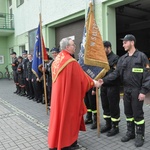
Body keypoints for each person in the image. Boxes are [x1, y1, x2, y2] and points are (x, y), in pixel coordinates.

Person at [48, 37, 101, 150]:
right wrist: (95, 83)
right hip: (68, 98)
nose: (75, 47)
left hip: (58, 97)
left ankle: (63, 141)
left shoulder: (57, 60)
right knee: (69, 120)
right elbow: (82, 79)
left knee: (60, 119)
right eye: (73, 45)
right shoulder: (70, 62)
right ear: (67, 47)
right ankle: (66, 144)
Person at [99, 34, 150, 147]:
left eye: (125, 42)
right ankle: (130, 132)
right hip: (126, 89)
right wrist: (104, 80)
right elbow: (116, 74)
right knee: (128, 113)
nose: (123, 44)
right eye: (123, 42)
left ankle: (140, 135)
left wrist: (143, 91)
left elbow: (147, 76)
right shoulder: (122, 59)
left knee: (138, 114)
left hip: (137, 90)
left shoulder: (142, 57)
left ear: (132, 42)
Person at [100, 41, 120, 136]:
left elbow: (115, 74)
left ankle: (115, 127)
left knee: (113, 107)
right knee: (105, 106)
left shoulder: (116, 58)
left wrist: (104, 79)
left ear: (108, 48)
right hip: (103, 87)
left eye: (103, 48)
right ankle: (108, 124)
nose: (102, 50)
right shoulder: (102, 58)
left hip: (112, 87)